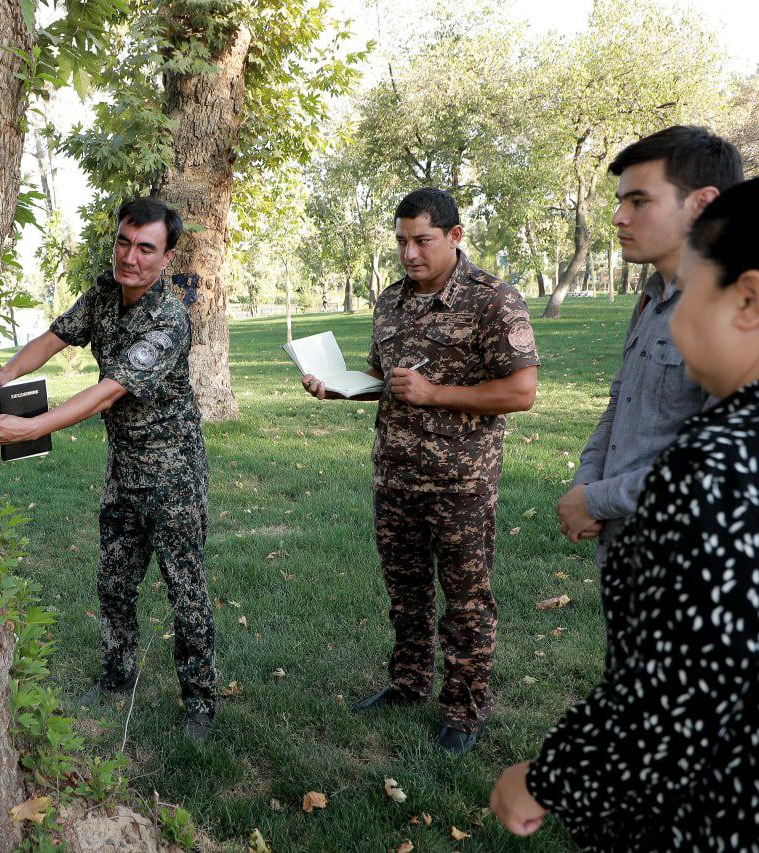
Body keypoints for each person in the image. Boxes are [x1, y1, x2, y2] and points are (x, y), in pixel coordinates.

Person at [492, 177, 759, 851]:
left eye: (693, 292)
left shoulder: (719, 464)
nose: (675, 317)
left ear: (748, 299)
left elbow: (683, 688)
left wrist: (547, 779)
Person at [303, 188, 538, 754]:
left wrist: (434, 394)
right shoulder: (391, 301)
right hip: (396, 477)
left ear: (455, 236)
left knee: (466, 599)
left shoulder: (492, 301)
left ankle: (464, 709)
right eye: (403, 242)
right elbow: (387, 381)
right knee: (406, 593)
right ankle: (409, 683)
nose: (410, 254)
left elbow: (521, 391)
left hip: (460, 482)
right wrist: (342, 389)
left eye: (422, 241)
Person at [0, 197, 217, 742]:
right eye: (123, 242)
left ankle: (201, 703)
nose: (130, 258)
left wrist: (36, 426)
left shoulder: (169, 319)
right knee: (113, 581)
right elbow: (51, 339)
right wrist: (3, 376)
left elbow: (105, 394)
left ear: (166, 257)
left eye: (145, 248)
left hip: (173, 477)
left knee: (185, 590)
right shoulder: (102, 295)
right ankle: (117, 677)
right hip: (124, 470)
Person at [557, 127, 743, 566]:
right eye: (622, 200)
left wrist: (596, 500)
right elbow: (620, 402)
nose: (619, 217)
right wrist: (585, 484)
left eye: (639, 201)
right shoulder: (654, 298)